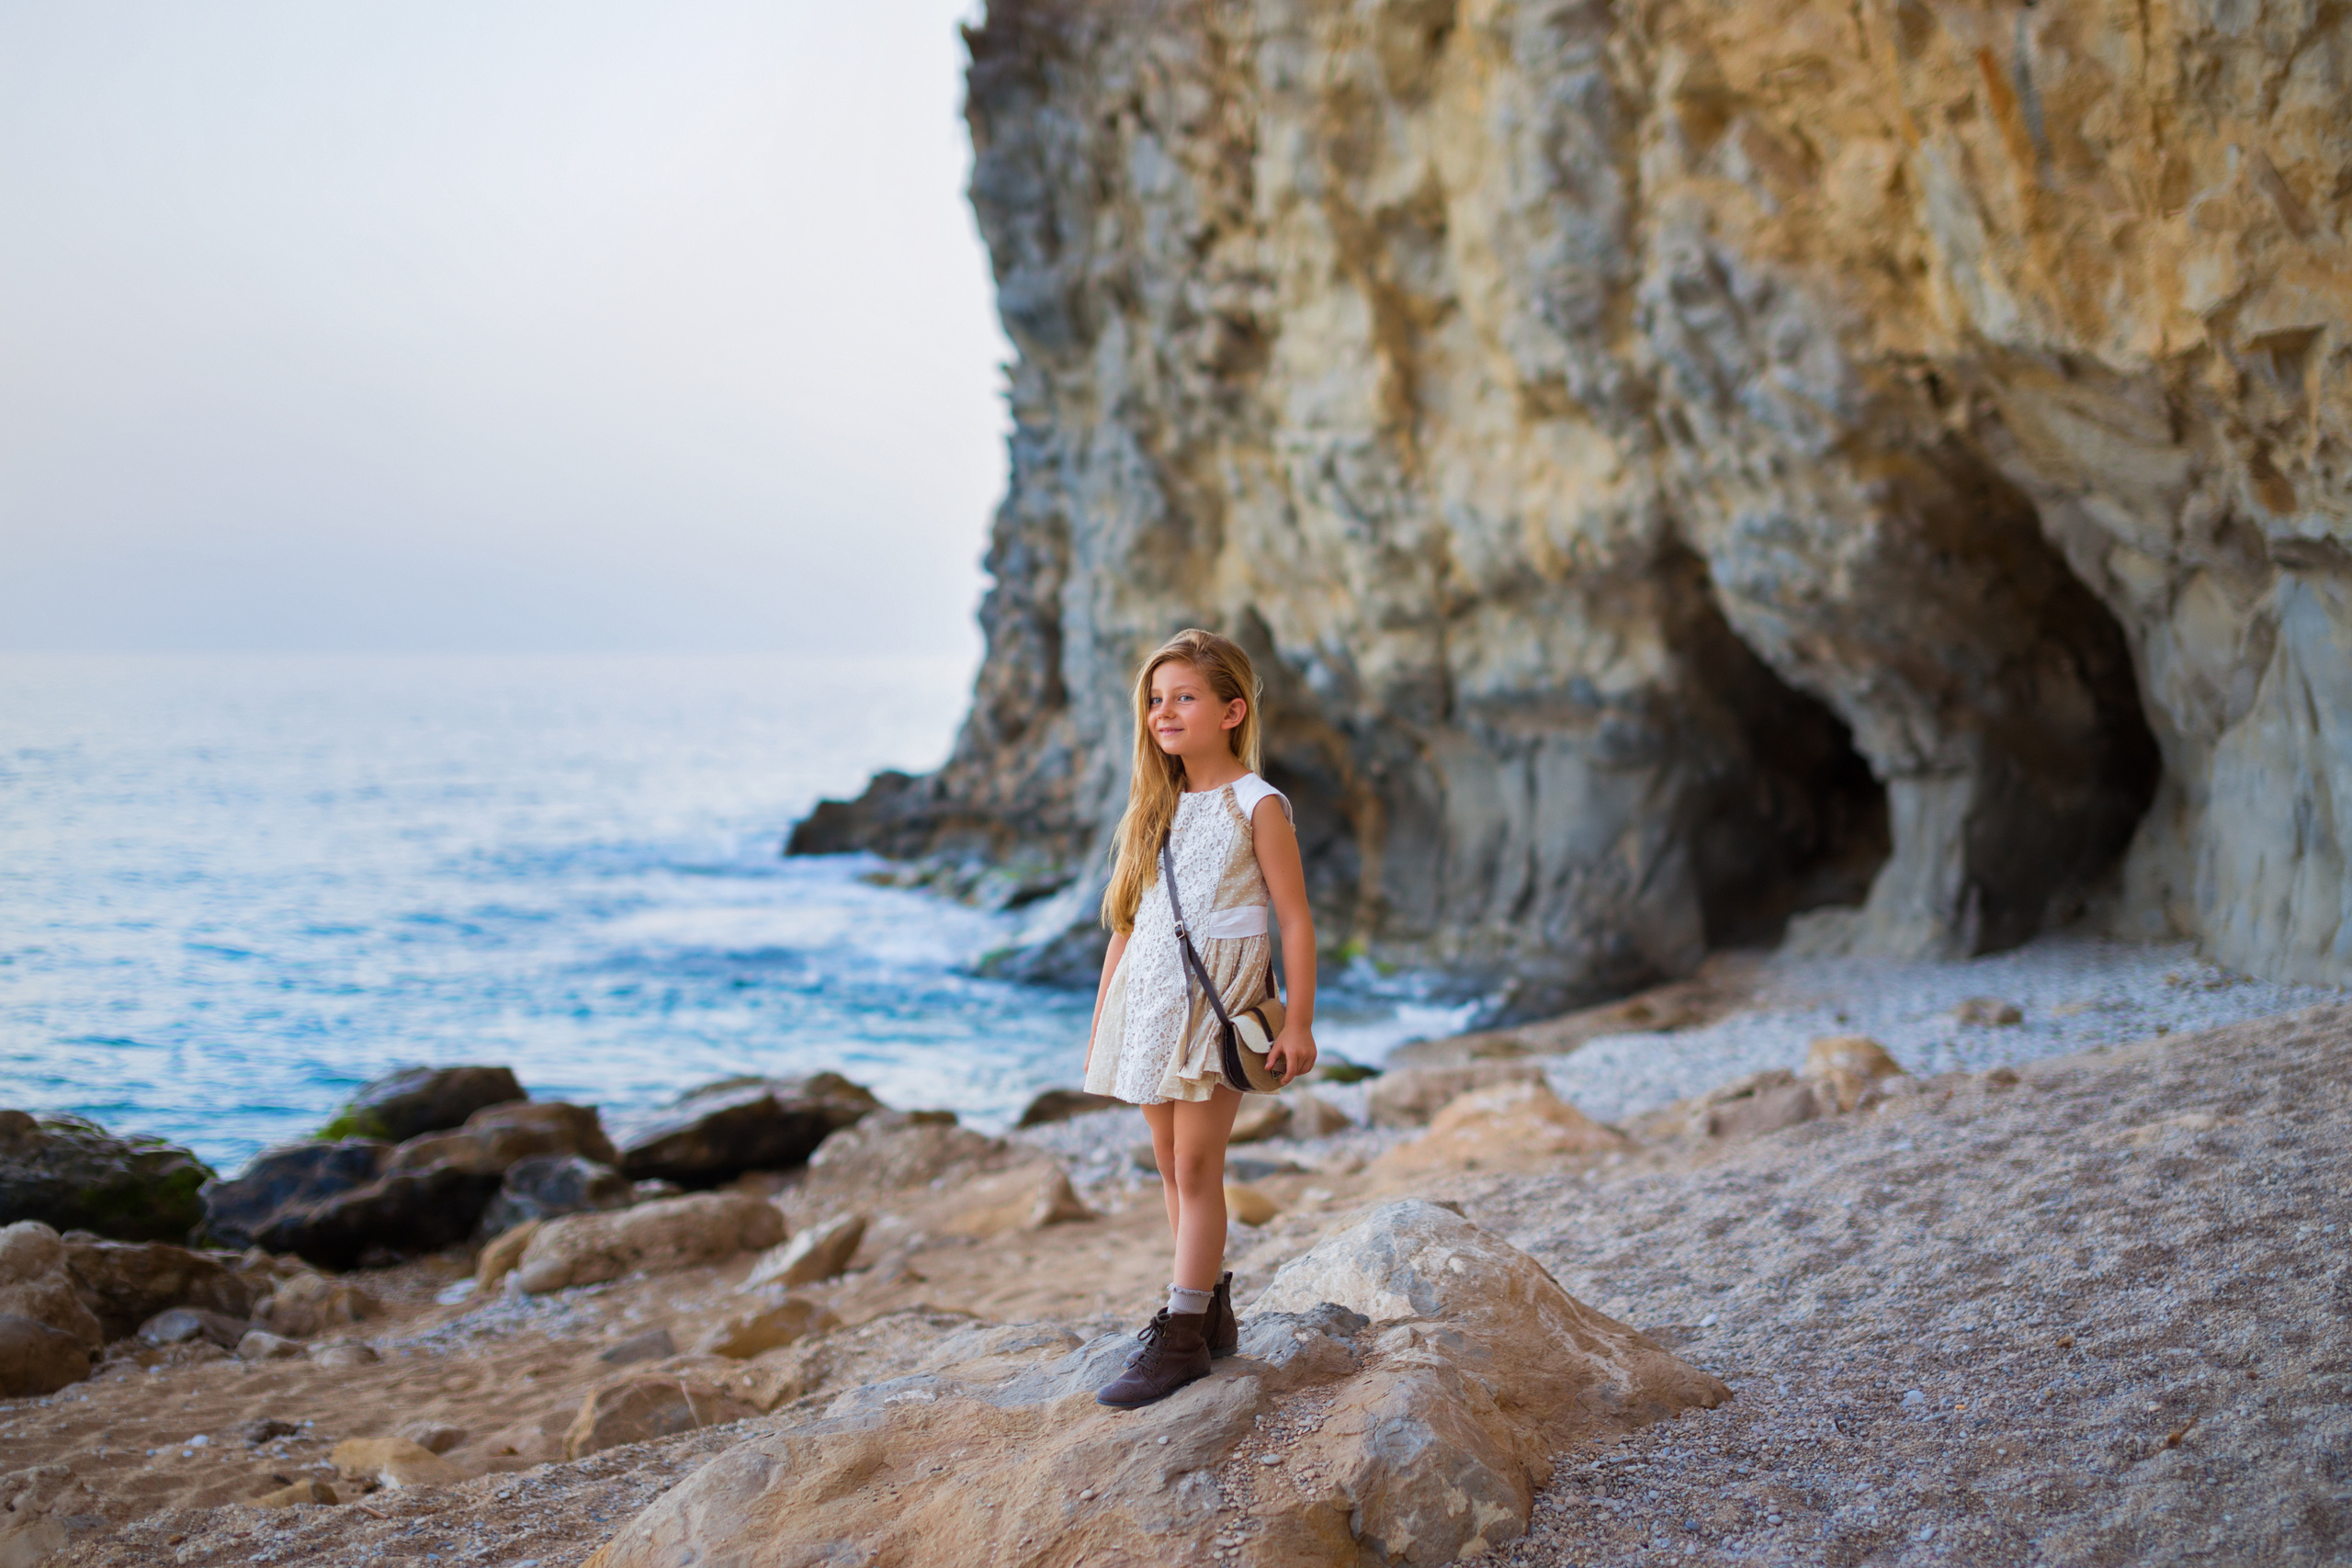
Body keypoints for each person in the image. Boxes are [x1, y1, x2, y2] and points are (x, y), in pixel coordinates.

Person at [1082, 627, 1318, 1409]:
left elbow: (1294, 919)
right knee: (1166, 1159)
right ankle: (1210, 1309)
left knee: (1197, 1165)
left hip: (1215, 1007)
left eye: (1184, 696)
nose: (1165, 711)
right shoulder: (1154, 807)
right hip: (1147, 1002)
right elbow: (1126, 922)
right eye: (1156, 698)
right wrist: (1102, 1014)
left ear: (1231, 709)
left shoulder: (1258, 803)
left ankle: (1181, 1335)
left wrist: (1299, 1024)